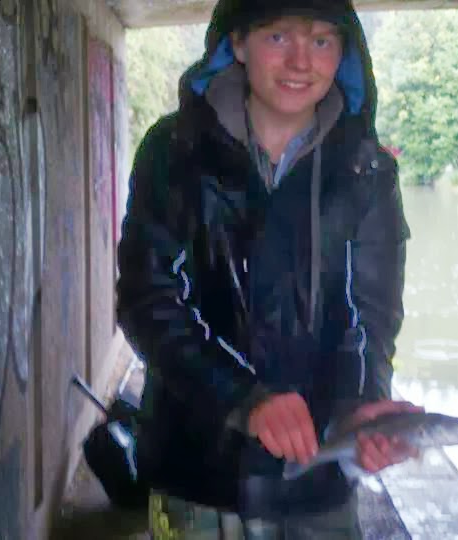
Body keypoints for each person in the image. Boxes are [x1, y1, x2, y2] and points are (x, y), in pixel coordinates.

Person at [114, 0, 415, 536]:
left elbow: (373, 316)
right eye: (279, 37)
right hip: (196, 474)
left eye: (322, 41)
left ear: (344, 53)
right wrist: (243, 400)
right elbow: (148, 301)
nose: (302, 62)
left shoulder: (368, 170)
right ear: (237, 43)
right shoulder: (172, 150)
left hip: (319, 484)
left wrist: (367, 408)